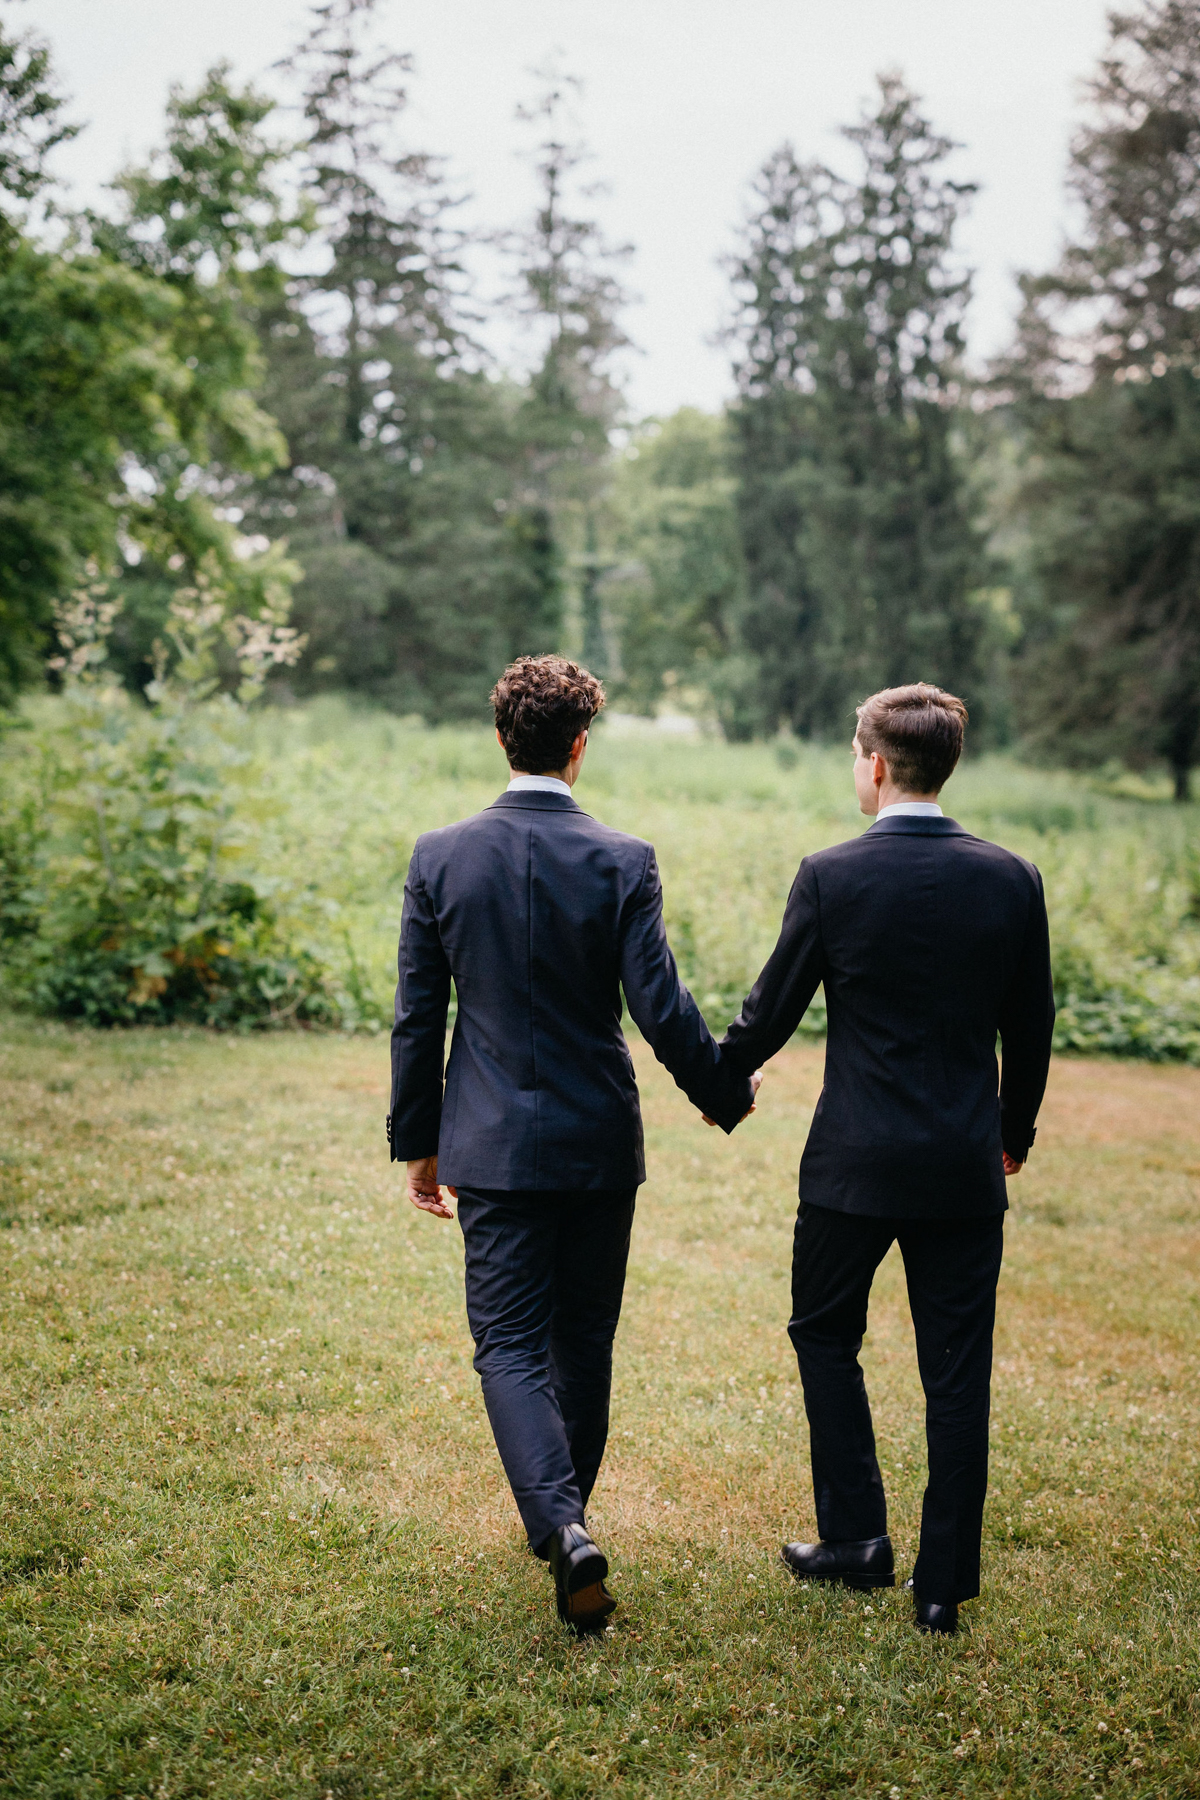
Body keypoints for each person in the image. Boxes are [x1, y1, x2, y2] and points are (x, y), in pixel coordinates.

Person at [388, 655, 760, 1633]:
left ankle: (561, 1527)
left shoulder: (440, 857)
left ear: (499, 738)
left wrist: (417, 1146)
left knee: (508, 1345)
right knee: (583, 1338)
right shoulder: (622, 859)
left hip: (492, 1145)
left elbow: (418, 1020)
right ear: (579, 747)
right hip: (600, 1139)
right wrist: (725, 1090)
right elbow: (661, 1007)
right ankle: (568, 1521)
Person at [719, 683, 1054, 1635]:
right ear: (944, 767)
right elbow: (1031, 1030)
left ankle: (858, 1538)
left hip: (852, 1169)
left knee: (824, 1336)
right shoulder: (1011, 878)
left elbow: (768, 1013)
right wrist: (1010, 1137)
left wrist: (721, 1082)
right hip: (960, 1165)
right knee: (958, 1372)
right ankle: (941, 1584)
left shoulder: (830, 875)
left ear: (874, 764)